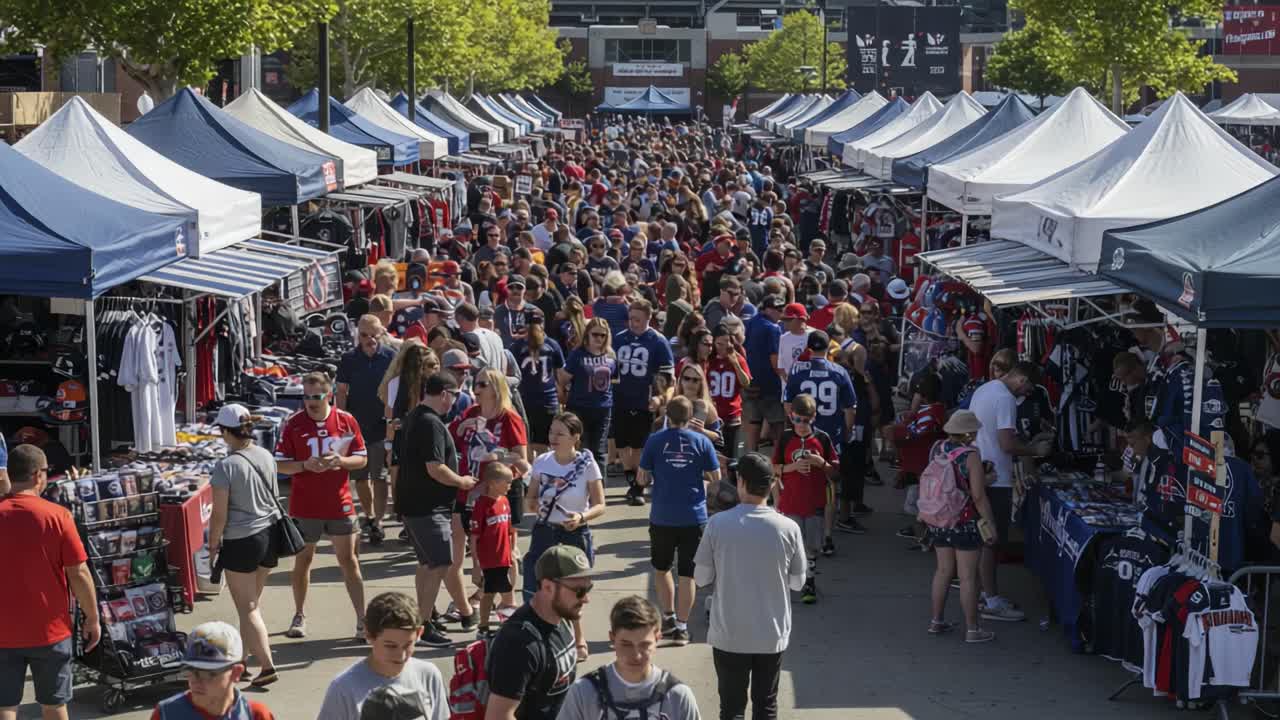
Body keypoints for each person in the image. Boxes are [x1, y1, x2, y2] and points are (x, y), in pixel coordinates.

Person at [693, 453, 806, 720]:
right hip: (771, 633)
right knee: (766, 706)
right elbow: (798, 582)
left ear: (741, 482)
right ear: (772, 484)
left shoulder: (717, 524)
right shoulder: (788, 528)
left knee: (731, 708)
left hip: (729, 632)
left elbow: (701, 578)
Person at [0, 445, 98, 720]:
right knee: (54, 706)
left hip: (2, 631)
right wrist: (93, 618)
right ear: (37, 475)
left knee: (5, 706)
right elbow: (79, 573)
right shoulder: (58, 516)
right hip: (50, 631)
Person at [275, 372, 369, 640]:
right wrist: (305, 465)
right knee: (303, 560)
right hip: (305, 506)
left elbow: (361, 459)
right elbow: (279, 464)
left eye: (316, 396)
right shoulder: (293, 424)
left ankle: (362, 619)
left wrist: (340, 461)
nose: (310, 402)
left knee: (349, 561)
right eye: (305, 396)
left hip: (340, 504)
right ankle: (299, 614)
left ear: (329, 395)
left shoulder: (346, 420)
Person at [397, 373, 479, 647]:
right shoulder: (430, 422)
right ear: (444, 393)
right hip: (426, 507)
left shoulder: (416, 417)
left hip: (416, 505)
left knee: (428, 564)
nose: (454, 401)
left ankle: (422, 618)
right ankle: (422, 626)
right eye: (454, 395)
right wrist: (462, 482)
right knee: (441, 563)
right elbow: (435, 468)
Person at [207, 404, 280, 689]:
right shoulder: (265, 454)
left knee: (248, 607)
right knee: (250, 605)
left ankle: (267, 665)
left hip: (241, 540)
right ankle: (242, 662)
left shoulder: (226, 466)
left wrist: (213, 544)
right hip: (268, 536)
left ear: (226, 432)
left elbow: (219, 514)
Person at [637, 396, 720, 646]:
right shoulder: (702, 441)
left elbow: (642, 478)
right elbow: (716, 477)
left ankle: (669, 617)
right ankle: (682, 628)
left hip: (662, 515)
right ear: (689, 417)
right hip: (693, 517)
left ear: (667, 417)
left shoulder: (654, 441)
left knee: (661, 569)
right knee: (687, 574)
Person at [967, 360, 1043, 623]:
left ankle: (981, 594)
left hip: (979, 469)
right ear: (1022, 380)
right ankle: (990, 599)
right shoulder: (1006, 399)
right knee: (991, 540)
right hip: (996, 478)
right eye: (1029, 388)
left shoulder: (984, 389)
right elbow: (1006, 443)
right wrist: (1034, 450)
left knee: (982, 538)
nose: (1027, 394)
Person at [526, 413, 607, 660]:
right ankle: (542, 637)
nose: (553, 437)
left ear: (575, 437)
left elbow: (600, 504)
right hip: (545, 532)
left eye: (560, 433)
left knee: (575, 590)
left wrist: (581, 518)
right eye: (551, 432)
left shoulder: (586, 464)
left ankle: (578, 638)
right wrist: (534, 506)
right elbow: (530, 499)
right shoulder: (541, 462)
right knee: (540, 587)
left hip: (574, 534)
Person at [484, 545, 594, 720]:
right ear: (548, 586)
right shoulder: (518, 644)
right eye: (579, 591)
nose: (586, 599)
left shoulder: (563, 616)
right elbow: (498, 716)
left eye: (588, 588)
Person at [554, 596, 700, 720]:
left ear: (657, 639)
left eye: (644, 645)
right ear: (612, 639)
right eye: (626, 644)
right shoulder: (584, 692)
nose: (636, 655)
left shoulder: (678, 696)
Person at [923, 411, 997, 644]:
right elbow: (977, 495)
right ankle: (973, 629)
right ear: (969, 433)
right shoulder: (970, 455)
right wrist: (990, 523)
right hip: (964, 521)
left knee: (943, 571)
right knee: (967, 578)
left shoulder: (938, 448)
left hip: (939, 519)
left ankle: (936, 621)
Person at [318, 592, 449, 720]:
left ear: (419, 633)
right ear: (369, 635)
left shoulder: (428, 675)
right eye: (390, 646)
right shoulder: (344, 688)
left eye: (408, 644)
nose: (401, 656)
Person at [337, 315, 397, 546]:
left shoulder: (390, 358)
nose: (369, 340)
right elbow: (341, 391)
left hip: (382, 427)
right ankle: (370, 515)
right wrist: (342, 421)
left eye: (374, 335)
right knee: (361, 478)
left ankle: (378, 521)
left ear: (381, 333)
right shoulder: (349, 359)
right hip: (357, 426)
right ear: (358, 335)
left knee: (380, 476)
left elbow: (396, 392)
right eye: (364, 335)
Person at [771, 394, 837, 603]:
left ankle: (809, 581)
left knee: (812, 546)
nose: (801, 425)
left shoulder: (823, 439)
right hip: (790, 501)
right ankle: (786, 583)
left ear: (813, 417)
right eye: (797, 420)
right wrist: (792, 467)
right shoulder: (785, 438)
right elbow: (773, 468)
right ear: (791, 417)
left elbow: (835, 472)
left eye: (806, 420)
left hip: (815, 502)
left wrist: (821, 463)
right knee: (788, 546)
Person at [613, 299, 675, 505]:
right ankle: (631, 478)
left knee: (639, 445)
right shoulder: (619, 339)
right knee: (621, 443)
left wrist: (659, 396)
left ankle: (637, 486)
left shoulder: (657, 341)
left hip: (643, 400)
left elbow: (666, 375)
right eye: (631, 318)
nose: (633, 323)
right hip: (620, 397)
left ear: (648, 318)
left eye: (638, 319)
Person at [151, 621, 274, 720]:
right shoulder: (166, 714)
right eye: (191, 671)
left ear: (236, 673)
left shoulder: (256, 715)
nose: (195, 682)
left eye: (209, 674)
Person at [557, 317, 618, 466]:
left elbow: (614, 380)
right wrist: (563, 397)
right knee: (581, 449)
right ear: (587, 334)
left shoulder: (611, 355)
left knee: (599, 451)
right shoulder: (578, 354)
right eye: (595, 334)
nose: (599, 338)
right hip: (579, 407)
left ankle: (599, 487)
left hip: (602, 409)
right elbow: (563, 379)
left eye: (603, 335)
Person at [471, 463, 516, 638]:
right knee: (490, 594)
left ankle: (504, 627)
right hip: (489, 559)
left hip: (504, 558)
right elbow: (474, 537)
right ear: (493, 482)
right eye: (507, 482)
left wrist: (513, 549)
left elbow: (511, 530)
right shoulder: (482, 505)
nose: (510, 486)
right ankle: (483, 627)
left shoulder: (505, 502)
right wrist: (476, 564)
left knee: (505, 592)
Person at [706, 324, 751, 462]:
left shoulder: (738, 359)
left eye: (727, 342)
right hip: (712, 417)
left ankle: (731, 483)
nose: (723, 347)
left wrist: (735, 363)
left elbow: (746, 383)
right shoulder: (708, 360)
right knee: (712, 458)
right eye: (719, 343)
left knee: (731, 458)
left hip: (731, 416)